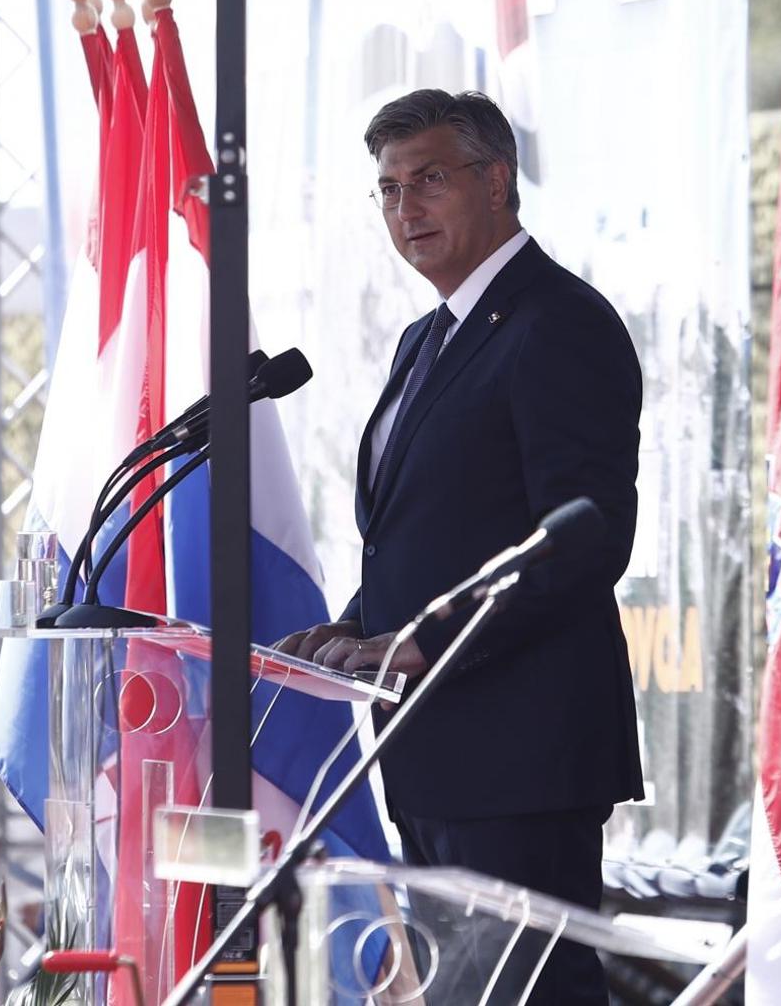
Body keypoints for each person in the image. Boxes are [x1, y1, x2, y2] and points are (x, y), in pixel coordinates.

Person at [273, 89, 644, 1003]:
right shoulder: (423, 339)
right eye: (389, 189)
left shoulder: (558, 324)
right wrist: (350, 629)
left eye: (429, 179)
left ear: (498, 181)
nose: (406, 209)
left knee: (530, 994)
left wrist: (426, 641)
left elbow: (581, 539)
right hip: (431, 746)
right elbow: (434, 528)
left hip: (520, 751)